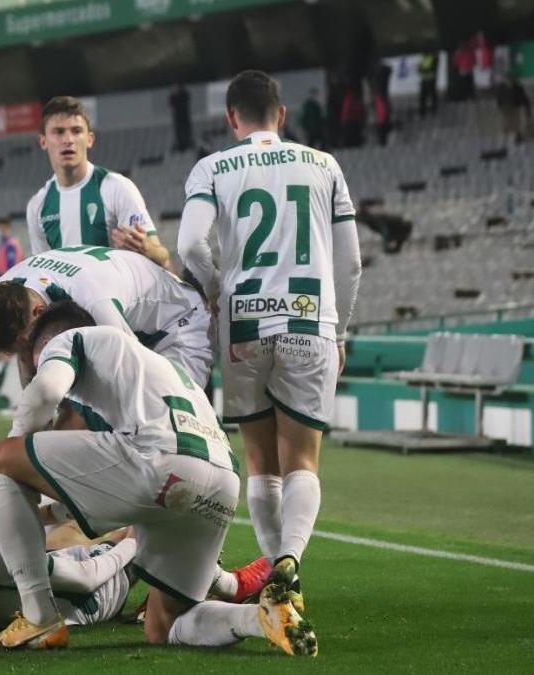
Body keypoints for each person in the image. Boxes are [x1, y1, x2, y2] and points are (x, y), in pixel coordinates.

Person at [0, 301, 314, 655]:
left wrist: (13, 446)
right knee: (163, 625)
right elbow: (100, 476)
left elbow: (45, 394)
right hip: (222, 479)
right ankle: (258, 618)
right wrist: (54, 511)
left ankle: (39, 617)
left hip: (162, 461)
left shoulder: (68, 339)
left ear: (44, 343)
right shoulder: (151, 370)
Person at [177, 70, 362, 615]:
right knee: (302, 459)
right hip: (309, 320)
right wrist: (341, 330)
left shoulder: (212, 167)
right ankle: (290, 563)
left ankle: (277, 579)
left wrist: (216, 291)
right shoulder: (324, 164)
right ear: (282, 115)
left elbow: (190, 244)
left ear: (232, 118)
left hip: (244, 325)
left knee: (261, 463)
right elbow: (350, 264)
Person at [0, 436, 270, 632]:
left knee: (73, 527)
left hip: (0, 602)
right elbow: (84, 579)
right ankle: (229, 585)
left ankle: (161, 583)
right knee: (159, 523)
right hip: (82, 604)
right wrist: (132, 544)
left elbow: (19, 522)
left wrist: (65, 506)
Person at [0, 246, 213, 389]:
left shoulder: (92, 298)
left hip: (179, 322)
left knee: (168, 415)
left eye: (26, 343)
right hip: (132, 318)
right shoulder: (6, 292)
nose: (25, 354)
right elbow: (27, 360)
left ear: (39, 312)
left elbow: (133, 372)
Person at [26, 96, 169, 267]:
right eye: (58, 132)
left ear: (89, 139)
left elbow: (163, 259)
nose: (68, 140)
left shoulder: (117, 188)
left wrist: (147, 250)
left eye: (76, 131)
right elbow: (42, 272)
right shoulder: (38, 205)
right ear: (43, 141)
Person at [497, 74, 531, 144]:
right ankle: (503, 139)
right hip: (505, 107)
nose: (509, 82)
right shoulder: (501, 88)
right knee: (506, 124)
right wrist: (499, 106)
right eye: (507, 80)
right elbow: (499, 98)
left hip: (515, 107)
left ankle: (517, 137)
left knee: (517, 123)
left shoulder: (518, 88)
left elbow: (524, 99)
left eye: (510, 80)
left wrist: (528, 110)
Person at [169, 84, 194, 153]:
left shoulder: (183, 95)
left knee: (185, 130)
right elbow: (171, 102)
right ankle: (183, 144)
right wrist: (173, 93)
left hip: (184, 117)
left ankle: (186, 143)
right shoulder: (175, 97)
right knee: (180, 131)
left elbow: (187, 97)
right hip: (179, 118)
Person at [418, 52, 439, 117]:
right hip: (424, 79)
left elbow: (432, 68)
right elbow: (420, 69)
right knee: (423, 97)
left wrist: (422, 69)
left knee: (432, 96)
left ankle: (433, 110)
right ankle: (422, 112)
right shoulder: (424, 58)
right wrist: (421, 69)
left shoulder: (433, 58)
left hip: (430, 79)